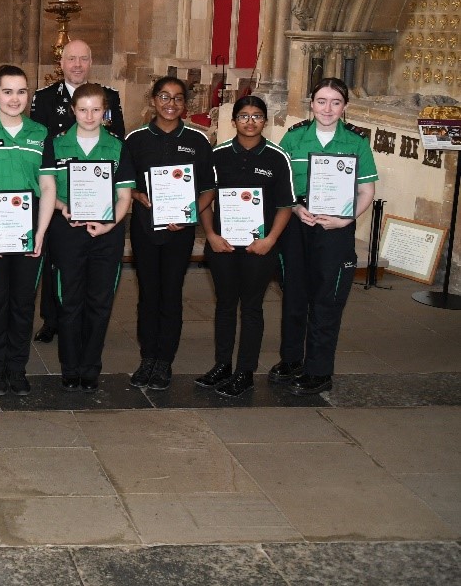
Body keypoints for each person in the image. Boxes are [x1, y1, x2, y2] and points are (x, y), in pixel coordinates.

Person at [273, 77, 378, 395]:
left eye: (335, 102)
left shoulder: (356, 143)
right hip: (298, 225)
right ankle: (291, 360)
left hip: (336, 229)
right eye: (321, 101)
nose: (328, 108)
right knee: (294, 294)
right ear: (312, 103)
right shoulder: (293, 139)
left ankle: (318, 370)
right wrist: (294, 208)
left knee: (327, 299)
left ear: (345, 107)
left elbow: (366, 190)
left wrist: (346, 219)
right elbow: (282, 183)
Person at [0, 65, 56, 397]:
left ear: (28, 94)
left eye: (21, 92)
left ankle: (17, 367)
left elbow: (47, 188)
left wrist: (41, 233)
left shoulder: (41, 134)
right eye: (7, 91)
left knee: (23, 301)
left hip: (31, 225)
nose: (14, 98)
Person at [198, 96, 295, 397]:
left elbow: (285, 205)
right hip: (223, 245)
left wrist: (270, 240)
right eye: (243, 116)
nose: (250, 122)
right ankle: (222, 365)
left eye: (256, 116)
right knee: (225, 306)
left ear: (265, 121)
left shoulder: (277, 158)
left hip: (259, 248)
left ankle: (245, 371)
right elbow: (205, 200)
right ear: (234, 121)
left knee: (251, 308)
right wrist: (211, 235)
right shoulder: (218, 155)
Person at [42, 83, 136, 391]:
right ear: (73, 111)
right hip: (67, 230)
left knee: (99, 301)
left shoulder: (117, 146)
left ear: (105, 111)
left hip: (106, 233)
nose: (89, 115)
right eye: (83, 109)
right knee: (69, 301)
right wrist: (64, 208)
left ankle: (90, 366)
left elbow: (124, 196)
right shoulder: (55, 145)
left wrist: (109, 225)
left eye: (96, 109)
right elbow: (47, 189)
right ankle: (70, 366)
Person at [122, 77, 215, 390]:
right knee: (148, 293)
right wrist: (138, 197)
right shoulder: (134, 139)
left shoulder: (198, 140)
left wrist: (189, 215)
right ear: (154, 100)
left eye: (177, 98)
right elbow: (125, 182)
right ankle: (147, 357)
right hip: (146, 227)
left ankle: (164, 362)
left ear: (185, 104)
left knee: (171, 293)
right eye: (164, 96)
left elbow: (208, 188)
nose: (171, 103)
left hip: (181, 231)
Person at [30, 39, 125, 344]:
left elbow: (116, 139)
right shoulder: (44, 97)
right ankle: (51, 318)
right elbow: (39, 143)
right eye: (72, 59)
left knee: (92, 282)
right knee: (55, 263)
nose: (77, 65)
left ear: (90, 62)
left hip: (98, 195)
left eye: (83, 59)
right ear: (62, 62)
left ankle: (81, 322)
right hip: (61, 192)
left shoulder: (109, 96)